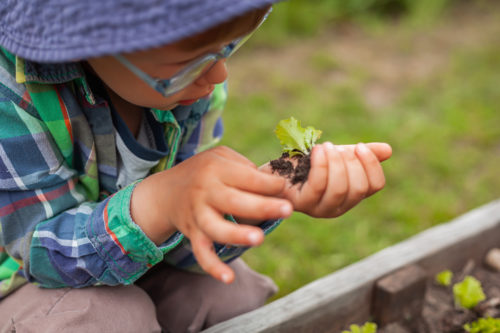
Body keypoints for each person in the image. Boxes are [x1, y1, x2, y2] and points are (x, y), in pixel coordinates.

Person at [0, 0, 392, 332]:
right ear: (85, 40)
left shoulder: (189, 88)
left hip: (126, 267)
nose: (218, 74)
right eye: (191, 62)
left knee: (230, 293)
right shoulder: (13, 96)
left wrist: (270, 190)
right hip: (16, 285)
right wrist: (159, 203)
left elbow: (186, 254)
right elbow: (37, 255)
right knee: (106, 319)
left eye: (230, 47)